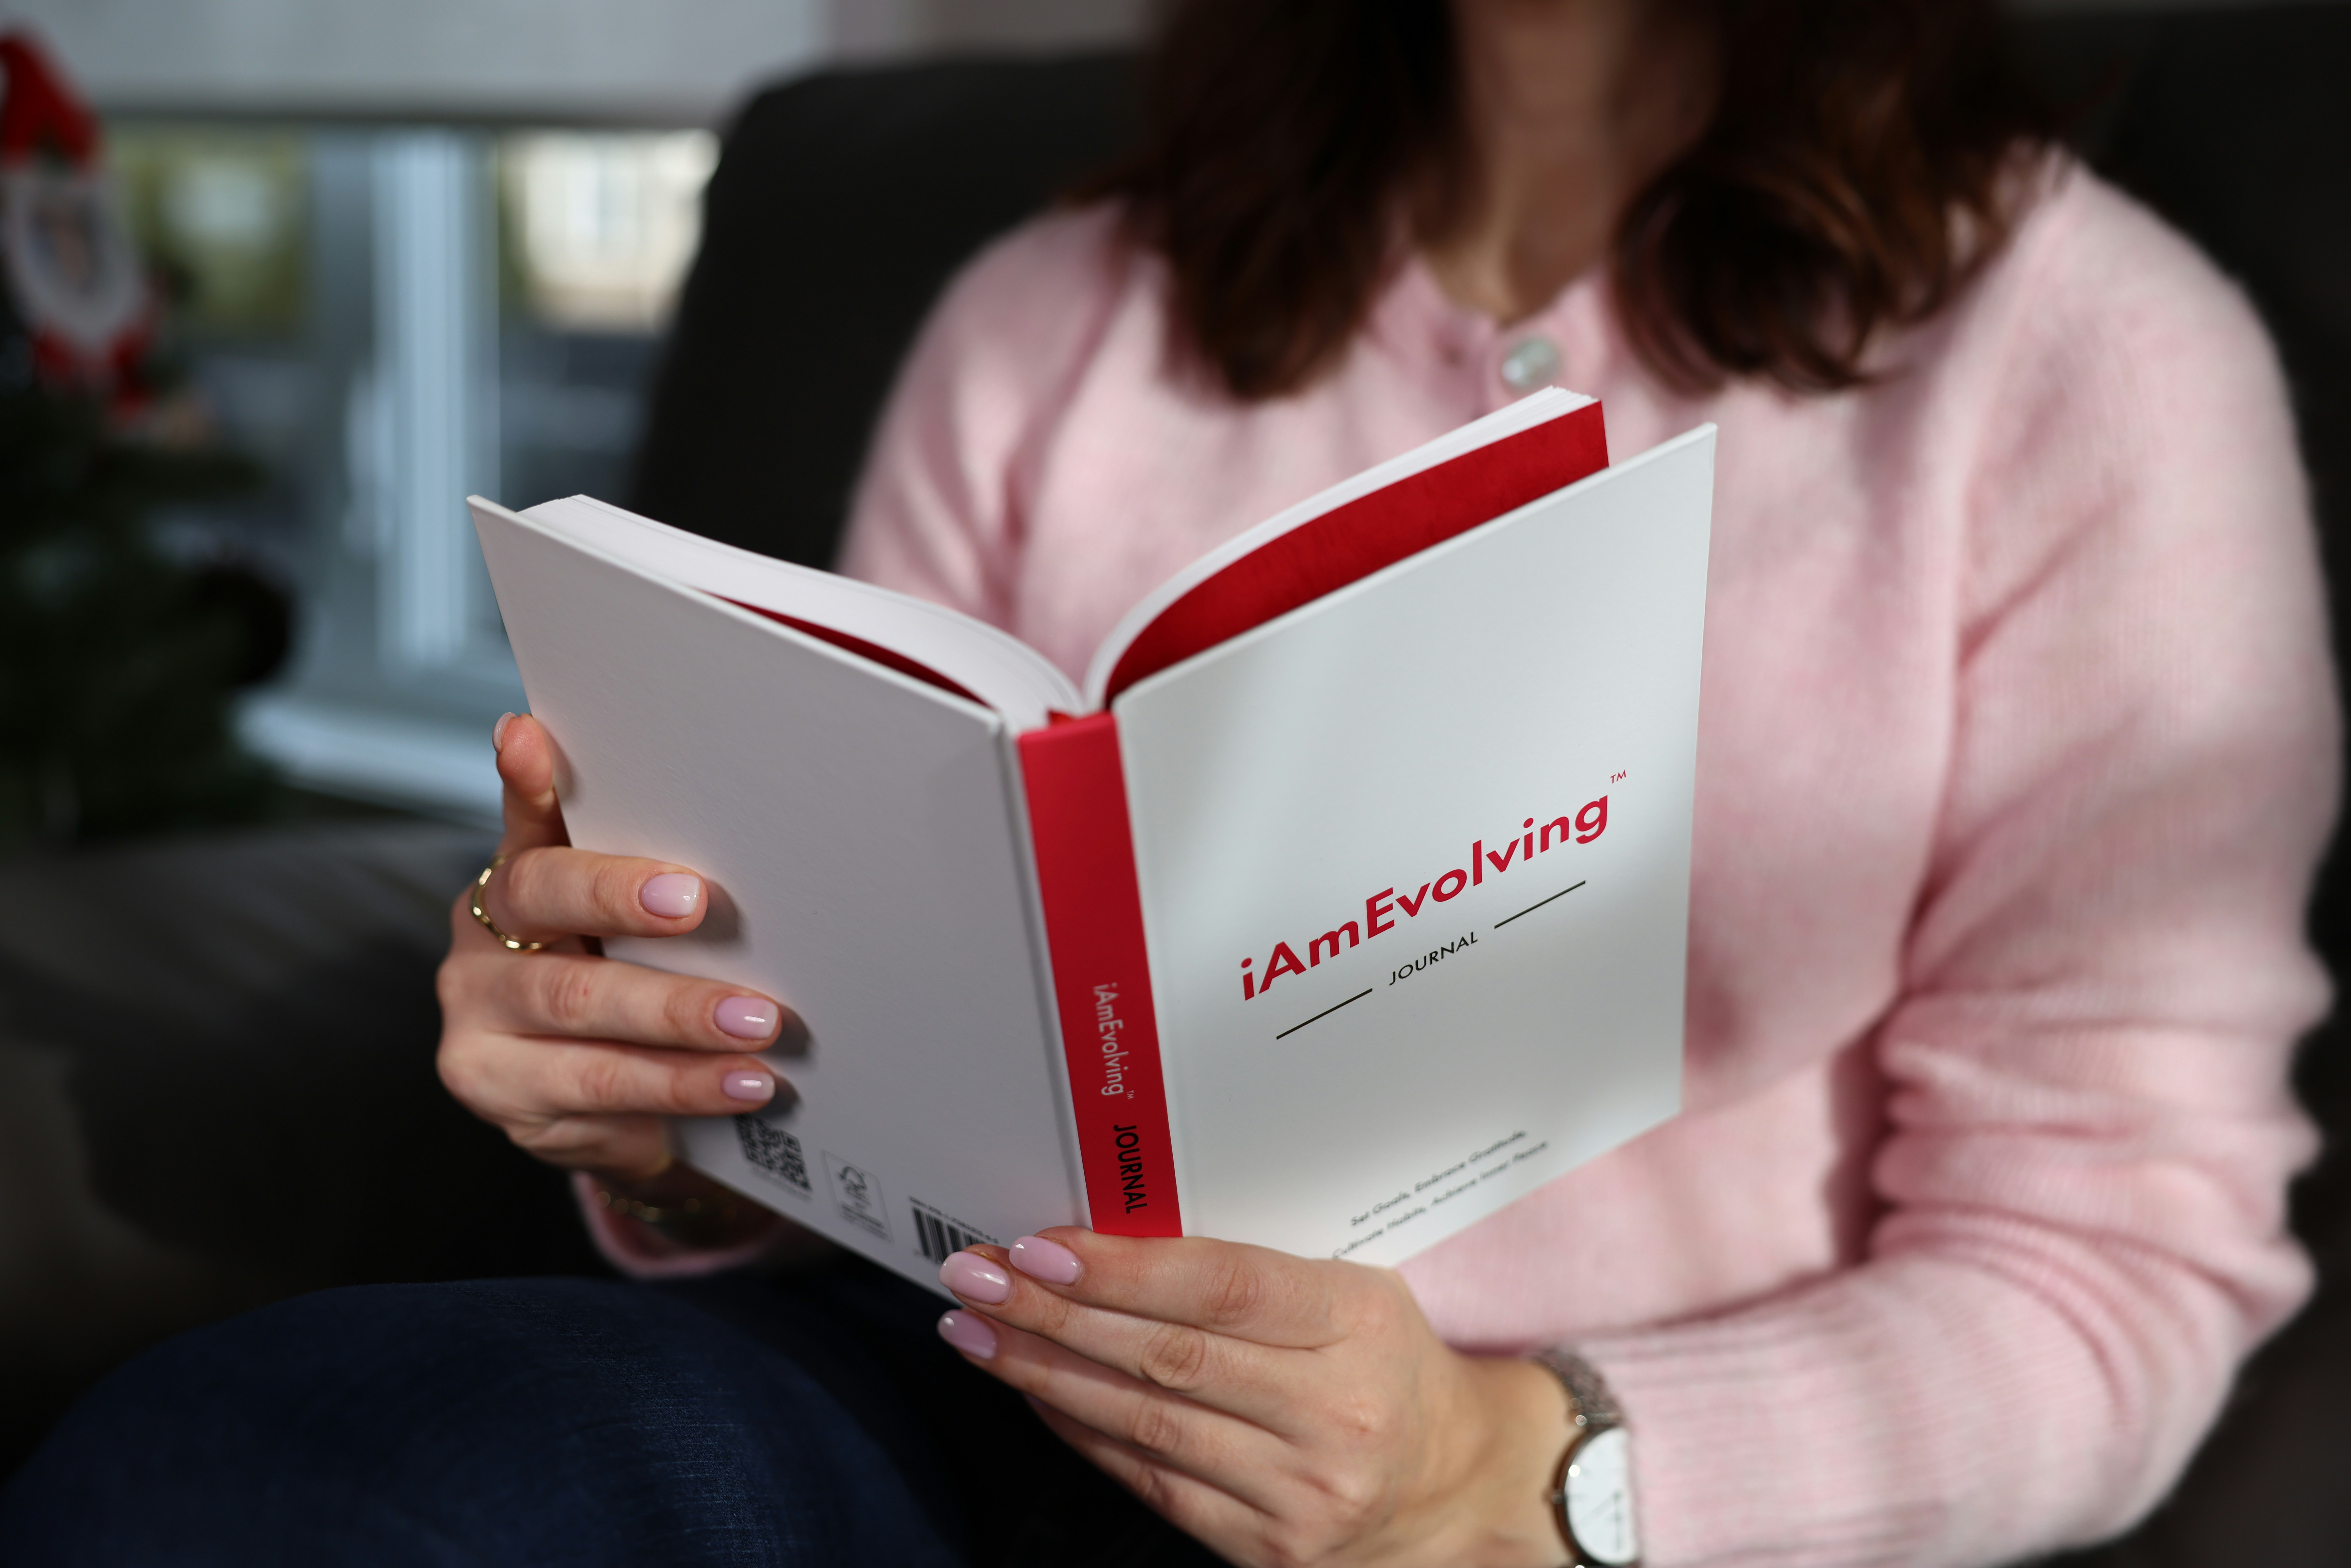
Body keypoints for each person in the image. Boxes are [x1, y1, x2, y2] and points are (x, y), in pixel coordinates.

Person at [2, 2, 2331, 1564]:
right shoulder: (1051, 317)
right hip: (952, 1406)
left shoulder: (2085, 362)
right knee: (238, 1459)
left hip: (1538, 1508)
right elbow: (868, 1050)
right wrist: (676, 1092)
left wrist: (1521, 1468)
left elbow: (2117, 1257)